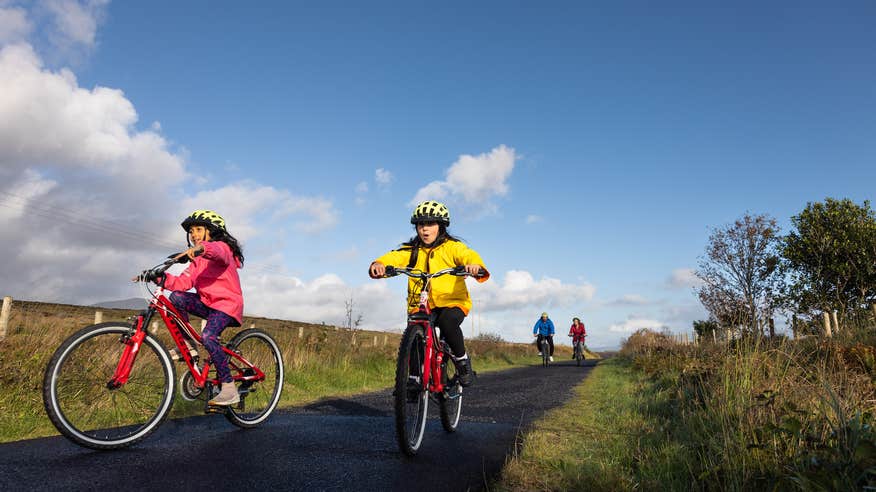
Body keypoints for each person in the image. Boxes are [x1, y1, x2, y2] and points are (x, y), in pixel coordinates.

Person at [369, 200, 489, 387]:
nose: (424, 229)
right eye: (420, 225)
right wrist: (379, 264)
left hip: (452, 302)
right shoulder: (412, 251)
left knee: (447, 323)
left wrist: (474, 266)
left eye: (430, 224)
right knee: (415, 334)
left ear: (440, 226)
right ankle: (414, 379)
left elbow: (468, 255)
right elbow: (394, 256)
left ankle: (462, 361)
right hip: (421, 304)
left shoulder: (452, 247)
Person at [151, 210, 245, 406]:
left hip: (226, 306)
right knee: (176, 297)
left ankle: (229, 388)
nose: (194, 234)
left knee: (209, 336)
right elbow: (183, 282)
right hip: (207, 304)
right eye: (191, 231)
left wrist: (201, 248)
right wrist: (158, 278)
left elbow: (216, 251)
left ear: (212, 231)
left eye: (199, 230)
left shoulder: (223, 248)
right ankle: (187, 345)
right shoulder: (198, 260)